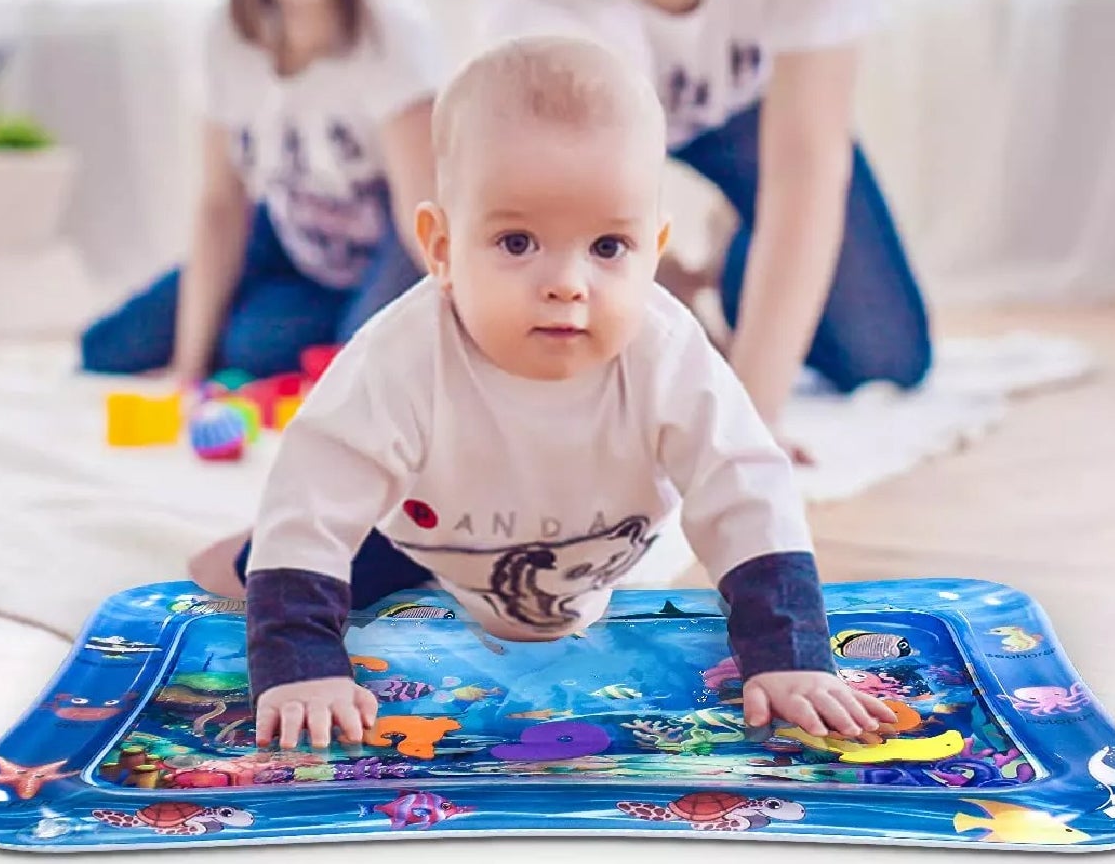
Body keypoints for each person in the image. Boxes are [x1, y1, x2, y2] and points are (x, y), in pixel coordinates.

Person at [243, 36, 897, 752]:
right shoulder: (398, 357)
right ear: (440, 248)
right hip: (431, 538)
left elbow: (743, 485)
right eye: (518, 242)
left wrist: (789, 655)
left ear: (653, 249)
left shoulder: (667, 351)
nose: (568, 283)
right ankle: (241, 556)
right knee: (271, 569)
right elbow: (314, 488)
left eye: (609, 247)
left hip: (597, 543)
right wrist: (301, 665)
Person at [480, 0, 931, 435]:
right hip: (617, 153)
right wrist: (664, 308)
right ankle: (702, 278)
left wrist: (752, 415)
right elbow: (565, 212)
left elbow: (810, 162)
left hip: (761, 119)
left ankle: (734, 255)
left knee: (886, 353)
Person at [80, 0, 438, 388]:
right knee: (105, 348)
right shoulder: (226, 36)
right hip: (287, 235)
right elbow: (221, 205)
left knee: (305, 364)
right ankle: (258, 334)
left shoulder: (393, 34)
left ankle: (294, 342)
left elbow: (423, 218)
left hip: (386, 246)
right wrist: (187, 370)